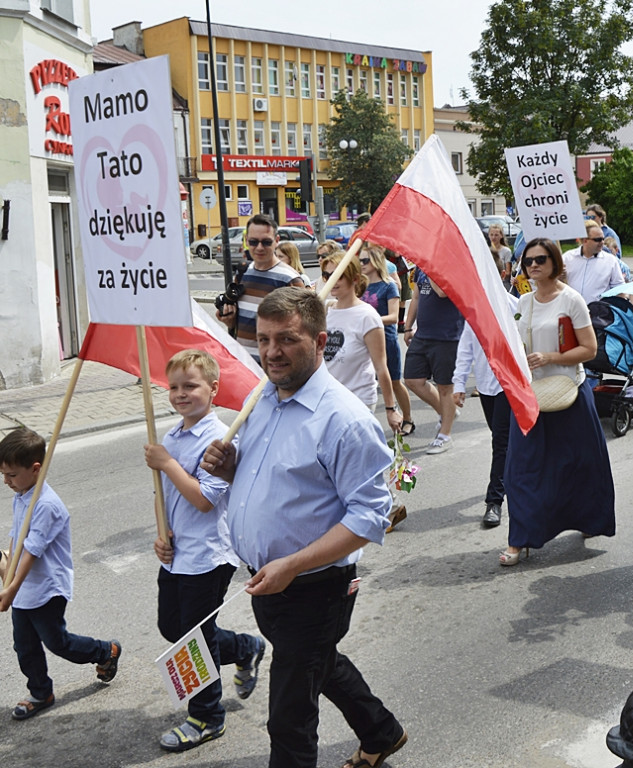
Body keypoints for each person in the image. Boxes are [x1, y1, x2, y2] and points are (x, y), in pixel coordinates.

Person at [201, 288, 407, 768]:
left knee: (289, 717)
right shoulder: (263, 398)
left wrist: (292, 564)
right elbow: (277, 481)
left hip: (314, 588)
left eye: (287, 340)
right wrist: (232, 470)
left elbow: (369, 517)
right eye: (265, 338)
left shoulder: (345, 420)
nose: (272, 351)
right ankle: (382, 731)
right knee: (321, 662)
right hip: (267, 583)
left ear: (320, 341)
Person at [144, 350, 265, 752]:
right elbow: (165, 497)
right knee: (172, 628)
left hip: (210, 555)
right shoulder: (173, 435)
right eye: (174, 387)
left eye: (190, 386)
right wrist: (163, 534)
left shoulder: (220, 438)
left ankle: (207, 717)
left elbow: (203, 501)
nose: (180, 394)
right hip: (178, 551)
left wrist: (166, 464)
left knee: (192, 639)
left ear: (213, 389)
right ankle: (246, 647)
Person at [502, 239, 616, 566]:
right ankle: (520, 539)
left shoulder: (572, 300)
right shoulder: (523, 302)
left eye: (540, 259)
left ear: (554, 262)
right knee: (520, 470)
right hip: (530, 396)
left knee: (579, 464)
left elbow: (590, 350)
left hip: (569, 392)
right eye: (528, 261)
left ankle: (589, 520)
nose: (533, 265)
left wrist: (551, 356)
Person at [0, 427, 122, 720]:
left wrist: (11, 590)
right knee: (24, 645)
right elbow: (17, 540)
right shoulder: (22, 493)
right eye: (3, 474)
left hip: (46, 587)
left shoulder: (46, 505)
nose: (6, 481)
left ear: (35, 468)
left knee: (58, 643)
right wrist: (8, 575)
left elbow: (32, 552)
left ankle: (106, 651)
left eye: (11, 475)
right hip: (24, 587)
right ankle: (41, 692)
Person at [452, 292, 519, 528]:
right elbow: (466, 349)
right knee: (503, 439)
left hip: (509, 385)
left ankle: (494, 501)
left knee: (500, 442)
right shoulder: (474, 309)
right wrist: (459, 384)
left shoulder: (515, 306)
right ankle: (515, 477)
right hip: (486, 386)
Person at [322, 253, 403, 433]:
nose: (332, 280)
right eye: (327, 276)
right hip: (328, 399)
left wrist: (390, 409)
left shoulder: (367, 316)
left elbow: (381, 367)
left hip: (357, 399)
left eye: (339, 274)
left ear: (355, 278)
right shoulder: (326, 310)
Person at [216, 214, 305, 360]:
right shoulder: (243, 272)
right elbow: (238, 324)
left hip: (274, 368)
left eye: (266, 242)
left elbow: (303, 329)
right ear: (246, 241)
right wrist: (230, 321)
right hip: (243, 364)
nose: (259, 247)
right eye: (253, 242)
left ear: (277, 241)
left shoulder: (289, 279)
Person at [404, 266, 465, 454]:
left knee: (445, 387)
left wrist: (432, 266)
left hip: (447, 336)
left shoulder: (450, 268)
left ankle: (444, 436)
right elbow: (416, 297)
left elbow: (441, 292)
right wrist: (407, 327)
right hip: (423, 335)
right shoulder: (422, 269)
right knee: (412, 380)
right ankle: (447, 411)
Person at [360, 245, 414, 437]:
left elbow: (393, 317)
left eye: (365, 260)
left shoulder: (388, 285)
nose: (361, 264)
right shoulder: (361, 285)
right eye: (360, 260)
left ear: (375, 262)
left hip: (386, 339)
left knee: (394, 382)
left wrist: (368, 319)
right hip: (366, 339)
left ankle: (408, 419)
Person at [563, 220, 625, 304]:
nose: (602, 242)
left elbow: (619, 290)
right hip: (571, 310)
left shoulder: (610, 261)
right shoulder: (567, 258)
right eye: (598, 239)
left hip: (599, 313)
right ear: (585, 240)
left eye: (603, 239)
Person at [488, 223, 514, 288]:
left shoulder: (506, 251)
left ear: (501, 236)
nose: (493, 237)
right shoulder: (487, 250)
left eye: (496, 235)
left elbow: (508, 272)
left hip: (503, 283)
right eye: (491, 235)